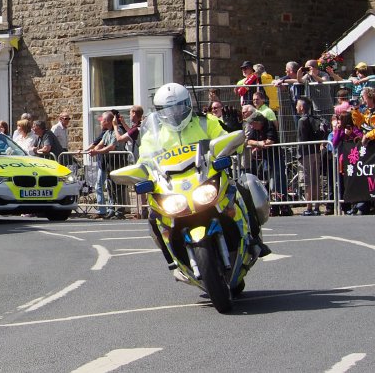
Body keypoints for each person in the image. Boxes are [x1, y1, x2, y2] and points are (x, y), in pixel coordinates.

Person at [138, 83, 271, 278]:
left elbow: (229, 141)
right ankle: (173, 261)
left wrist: (234, 135)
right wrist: (140, 175)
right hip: (174, 189)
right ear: (159, 112)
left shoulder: (205, 122)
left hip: (207, 179)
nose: (174, 112)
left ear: (188, 104)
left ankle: (254, 239)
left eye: (179, 106)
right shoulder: (153, 136)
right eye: (168, 109)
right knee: (153, 218)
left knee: (241, 189)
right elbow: (144, 162)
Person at [86, 112, 121, 219]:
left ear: (108, 121)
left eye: (103, 120)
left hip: (115, 162)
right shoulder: (107, 133)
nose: (101, 121)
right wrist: (92, 151)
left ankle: (117, 210)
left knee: (115, 187)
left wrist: (96, 152)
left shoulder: (117, 131)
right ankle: (106, 209)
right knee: (104, 186)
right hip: (106, 163)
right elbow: (100, 144)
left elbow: (111, 147)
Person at [295, 97, 324, 216]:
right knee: (315, 180)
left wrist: (299, 154)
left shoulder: (302, 120)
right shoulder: (315, 119)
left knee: (307, 181)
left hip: (306, 153)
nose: (296, 107)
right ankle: (316, 206)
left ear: (302, 107)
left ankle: (309, 207)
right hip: (315, 152)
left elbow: (302, 138)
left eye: (297, 105)